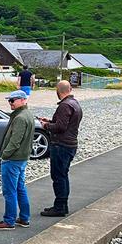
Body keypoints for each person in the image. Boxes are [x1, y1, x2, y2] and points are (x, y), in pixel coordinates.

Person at [0, 90, 34, 230]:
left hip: (13, 159)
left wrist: (5, 155)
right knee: (20, 188)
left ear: (22, 100)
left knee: (9, 191)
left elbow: (15, 141)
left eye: (13, 100)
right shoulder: (27, 114)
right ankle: (24, 218)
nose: (10, 103)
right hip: (21, 158)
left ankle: (9, 221)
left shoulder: (20, 118)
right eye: (9, 100)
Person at [39, 80, 83, 217]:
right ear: (70, 89)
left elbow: (61, 127)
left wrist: (46, 126)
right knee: (63, 175)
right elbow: (65, 124)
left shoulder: (64, 106)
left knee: (58, 177)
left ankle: (59, 207)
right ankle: (62, 205)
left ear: (58, 91)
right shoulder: (75, 104)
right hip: (70, 144)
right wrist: (51, 121)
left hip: (61, 145)